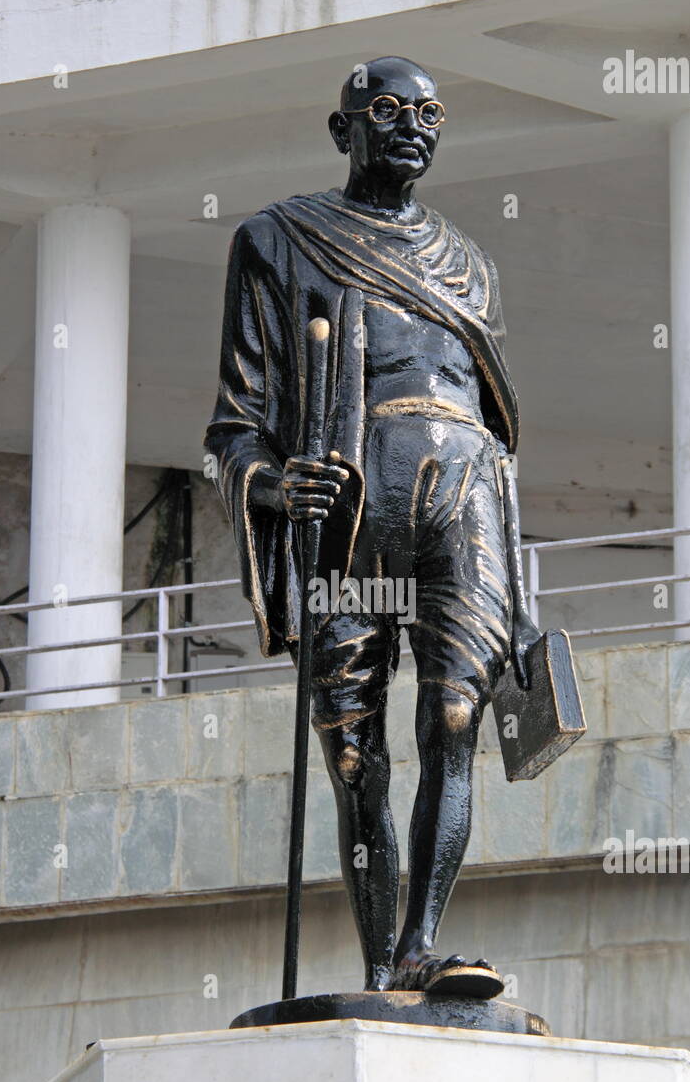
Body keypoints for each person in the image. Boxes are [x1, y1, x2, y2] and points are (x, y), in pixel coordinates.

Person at [205, 57, 541, 998]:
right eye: (386, 110)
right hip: (353, 500)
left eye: (429, 112)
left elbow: (500, 432)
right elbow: (233, 425)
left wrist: (515, 580)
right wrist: (273, 485)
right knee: (355, 753)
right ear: (340, 127)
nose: (411, 127)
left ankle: (422, 943)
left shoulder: (472, 265)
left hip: (464, 494)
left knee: (456, 717)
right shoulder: (280, 239)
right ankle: (380, 958)